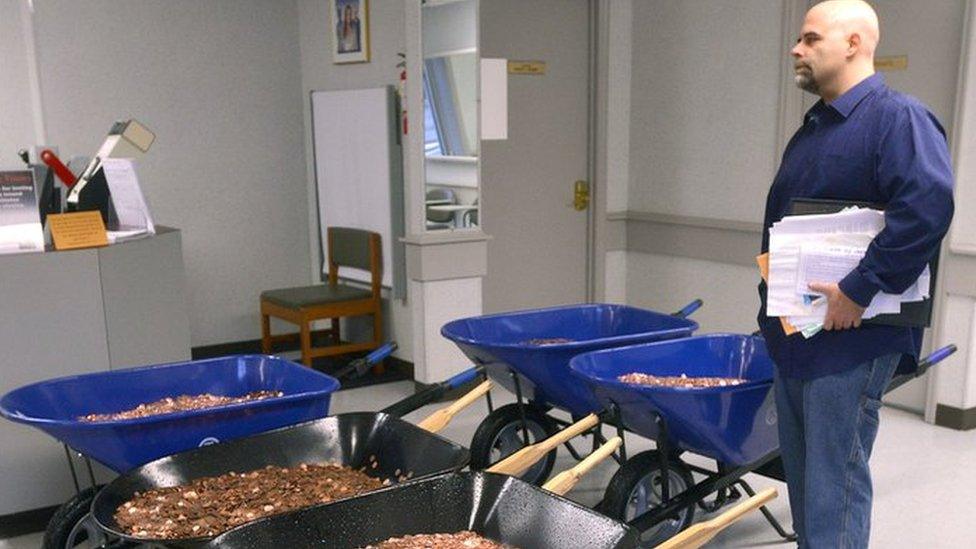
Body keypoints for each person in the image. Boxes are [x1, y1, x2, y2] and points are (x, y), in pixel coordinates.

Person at [757, 1, 954, 547]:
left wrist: (859, 290)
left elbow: (927, 210)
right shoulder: (816, 127)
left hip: (851, 342)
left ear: (853, 44)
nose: (796, 49)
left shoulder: (898, 119)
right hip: (798, 336)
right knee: (804, 487)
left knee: (832, 491)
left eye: (810, 38)